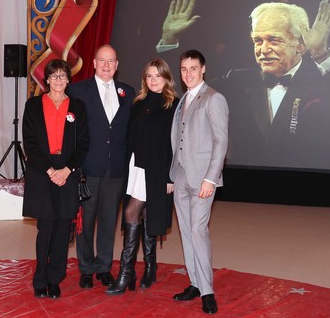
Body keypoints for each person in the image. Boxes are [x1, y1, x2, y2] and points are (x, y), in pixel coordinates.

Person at [159, 0, 330, 169]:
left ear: (301, 45)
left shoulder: (320, 82)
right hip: (244, 187)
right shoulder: (237, 82)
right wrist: (169, 39)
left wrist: (320, 53)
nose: (263, 49)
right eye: (257, 40)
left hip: (307, 189)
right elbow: (184, 92)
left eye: (273, 40)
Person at [107, 58, 178, 295]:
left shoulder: (174, 105)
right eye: (149, 76)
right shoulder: (137, 103)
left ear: (166, 78)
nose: (153, 80)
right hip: (136, 168)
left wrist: (172, 177)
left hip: (158, 171)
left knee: (134, 212)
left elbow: (176, 144)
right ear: (144, 79)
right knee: (140, 213)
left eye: (158, 75)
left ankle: (134, 270)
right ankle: (143, 269)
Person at [67, 44, 136, 289]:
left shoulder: (128, 93)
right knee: (85, 222)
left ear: (117, 66)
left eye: (111, 61)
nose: (107, 66)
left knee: (109, 221)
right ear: (94, 63)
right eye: (102, 61)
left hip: (116, 169)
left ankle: (104, 267)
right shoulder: (76, 91)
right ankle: (86, 268)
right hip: (87, 169)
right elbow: (71, 133)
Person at [21, 59, 89, 299]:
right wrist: (51, 171)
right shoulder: (33, 106)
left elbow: (83, 143)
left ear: (68, 80)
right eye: (54, 76)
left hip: (68, 174)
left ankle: (55, 278)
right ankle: (40, 278)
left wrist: (67, 169)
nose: (59, 80)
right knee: (46, 228)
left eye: (63, 76)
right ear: (46, 80)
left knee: (63, 230)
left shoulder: (78, 107)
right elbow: (29, 143)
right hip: (42, 173)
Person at [170, 50, 228, 315]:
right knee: (186, 231)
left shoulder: (214, 99)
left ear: (203, 69)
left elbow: (220, 142)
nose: (188, 74)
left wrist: (210, 179)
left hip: (203, 178)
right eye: (184, 69)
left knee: (199, 231)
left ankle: (207, 291)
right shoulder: (183, 100)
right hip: (181, 176)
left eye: (193, 68)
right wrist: (172, 176)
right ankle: (194, 282)